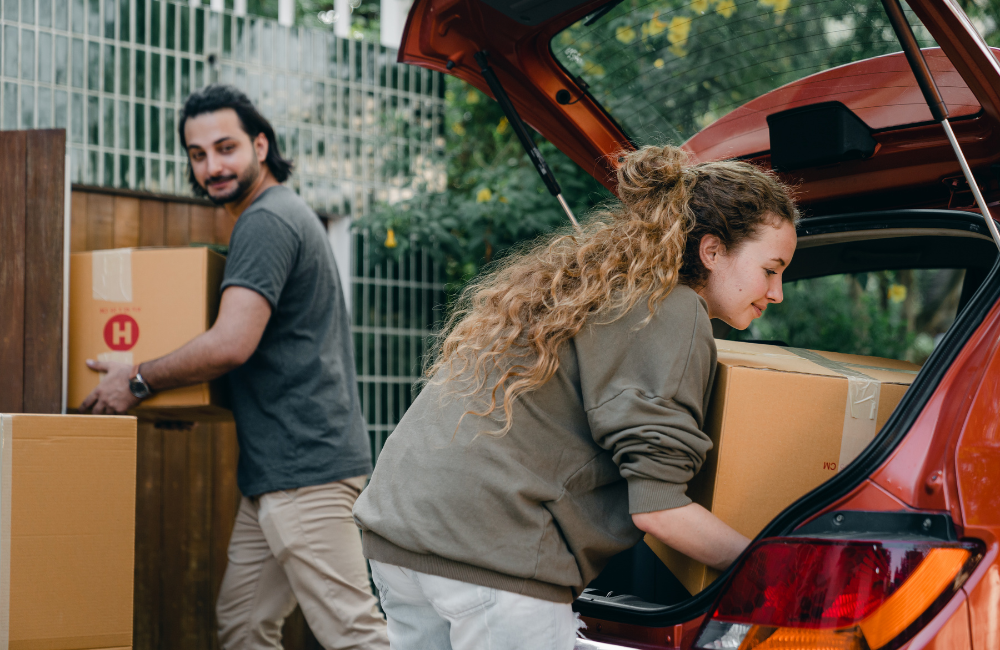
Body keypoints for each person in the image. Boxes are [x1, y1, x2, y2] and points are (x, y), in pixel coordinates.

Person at [352, 145, 800, 650]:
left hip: (401, 537)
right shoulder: (671, 310)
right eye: (771, 269)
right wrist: (783, 573)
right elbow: (659, 510)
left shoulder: (587, 288)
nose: (778, 291)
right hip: (494, 556)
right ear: (713, 251)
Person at [80, 85, 390, 650]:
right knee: (244, 627)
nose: (212, 166)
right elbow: (264, 352)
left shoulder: (267, 221)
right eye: (198, 155)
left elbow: (230, 344)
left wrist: (139, 379)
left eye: (226, 148)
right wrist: (177, 398)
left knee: (356, 636)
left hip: (305, 472)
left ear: (261, 144)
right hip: (278, 472)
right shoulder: (281, 215)